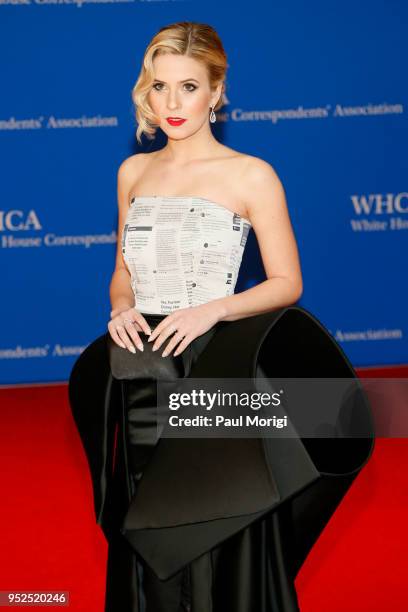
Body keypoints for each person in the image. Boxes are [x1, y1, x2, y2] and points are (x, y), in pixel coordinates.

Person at [68, 21, 374, 612]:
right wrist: (120, 307)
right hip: (140, 371)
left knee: (212, 514)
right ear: (146, 93)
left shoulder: (250, 174)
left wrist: (215, 309)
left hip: (215, 365)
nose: (172, 103)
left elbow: (287, 283)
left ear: (216, 91)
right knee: (145, 521)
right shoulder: (133, 173)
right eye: (159, 88)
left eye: (188, 87)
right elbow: (123, 271)